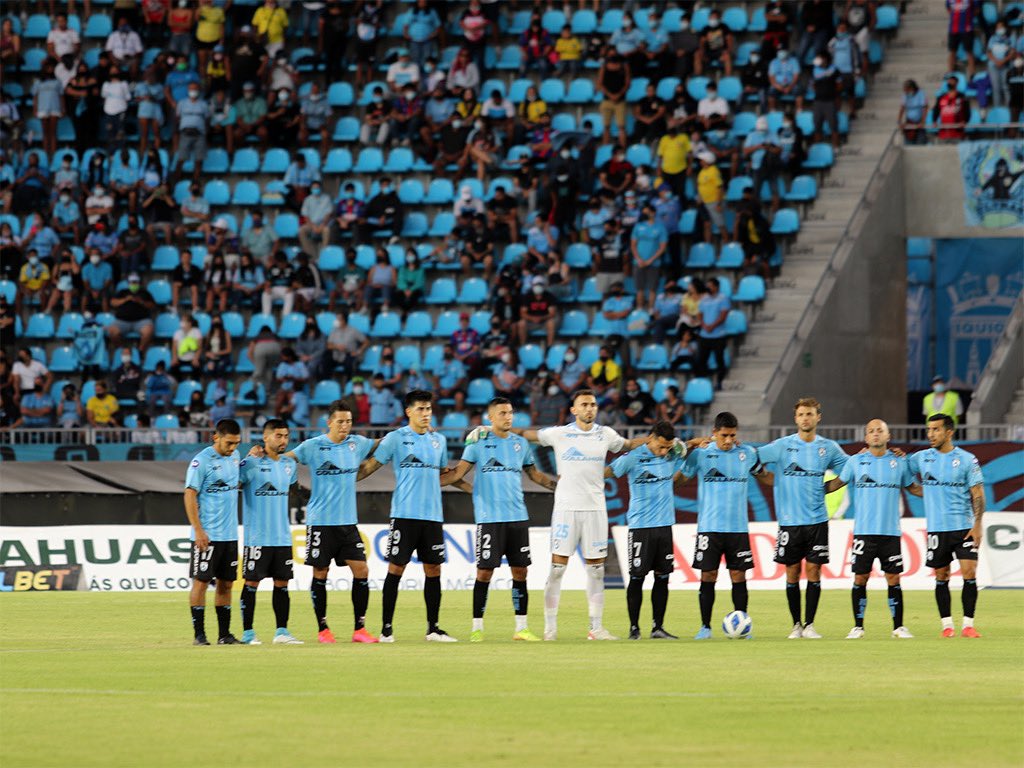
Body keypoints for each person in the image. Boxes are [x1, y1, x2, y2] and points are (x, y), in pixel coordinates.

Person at [466, 390, 661, 641]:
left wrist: (655, 437)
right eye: (584, 404)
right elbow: (527, 434)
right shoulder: (560, 433)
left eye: (593, 404)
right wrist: (487, 427)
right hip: (566, 510)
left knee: (596, 570)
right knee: (557, 569)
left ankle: (596, 628)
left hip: (595, 510)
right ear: (574, 409)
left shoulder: (606, 434)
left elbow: (628, 444)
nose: (590, 408)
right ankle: (550, 629)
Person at [441, 397, 558, 642]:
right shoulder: (478, 443)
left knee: (521, 572)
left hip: (517, 517)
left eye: (511, 412)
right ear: (490, 417)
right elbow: (457, 475)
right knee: (484, 573)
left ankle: (521, 628)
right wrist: (431, 480)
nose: (508, 417)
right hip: (489, 519)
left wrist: (559, 487)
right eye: (503, 413)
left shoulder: (520, 444)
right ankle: (476, 627)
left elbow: (535, 475)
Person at [357, 390, 469, 642]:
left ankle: (433, 628)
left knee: (433, 569)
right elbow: (370, 466)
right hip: (405, 515)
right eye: (420, 409)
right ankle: (386, 629)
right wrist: (342, 479)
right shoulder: (396, 438)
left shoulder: (438, 440)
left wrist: (474, 489)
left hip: (432, 516)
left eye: (428, 409)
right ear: (409, 411)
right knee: (396, 569)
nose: (426, 414)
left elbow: (443, 476)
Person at [753, 398, 849, 639]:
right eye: (801, 414)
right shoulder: (783, 446)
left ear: (818, 417)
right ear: (795, 419)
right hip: (789, 521)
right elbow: (754, 457)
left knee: (815, 571)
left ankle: (810, 625)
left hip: (817, 520)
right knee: (792, 572)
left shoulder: (828, 447)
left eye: (810, 414)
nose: (806, 418)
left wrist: (830, 487)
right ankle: (796, 625)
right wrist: (764, 475)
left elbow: (850, 468)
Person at [824, 419, 918, 639]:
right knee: (860, 579)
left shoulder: (899, 462)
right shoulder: (856, 461)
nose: (876, 434)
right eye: (871, 431)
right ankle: (858, 626)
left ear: (888, 436)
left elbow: (913, 488)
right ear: (866, 438)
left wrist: (937, 494)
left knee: (894, 579)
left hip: (890, 532)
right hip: (864, 533)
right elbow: (837, 483)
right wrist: (811, 491)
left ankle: (898, 627)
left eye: (880, 431)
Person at [607, 421, 699, 640]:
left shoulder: (673, 451)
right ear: (651, 438)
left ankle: (658, 627)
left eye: (668, 447)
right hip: (641, 527)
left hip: (665, 526)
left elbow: (686, 446)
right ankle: (634, 628)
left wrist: (698, 441)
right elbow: (608, 472)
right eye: (661, 447)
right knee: (637, 577)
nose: (664, 451)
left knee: (662, 577)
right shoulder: (632, 457)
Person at [680, 412, 759, 639]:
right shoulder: (701, 455)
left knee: (739, 575)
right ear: (714, 433)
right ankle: (705, 627)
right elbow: (680, 478)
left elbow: (764, 474)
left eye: (732, 436)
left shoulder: (747, 453)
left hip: (738, 528)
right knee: (708, 576)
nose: (728, 440)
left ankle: (742, 621)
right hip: (709, 527)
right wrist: (689, 447)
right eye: (724, 435)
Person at [908, 413, 985, 638]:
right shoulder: (921, 458)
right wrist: (925, 492)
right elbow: (901, 474)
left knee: (969, 571)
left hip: (963, 526)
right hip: (937, 528)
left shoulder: (967, 459)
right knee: (941, 575)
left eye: (936, 430)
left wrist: (978, 524)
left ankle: (968, 625)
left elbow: (977, 493)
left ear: (949, 432)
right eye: (929, 429)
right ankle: (947, 626)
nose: (931, 434)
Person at [236, 419, 303, 645]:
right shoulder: (250, 464)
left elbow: (292, 490)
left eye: (285, 436)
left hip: (282, 537)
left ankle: (282, 632)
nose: (283, 440)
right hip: (257, 538)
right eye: (278, 436)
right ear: (265, 437)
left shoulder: (289, 465)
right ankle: (248, 633)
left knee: (282, 584)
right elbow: (233, 483)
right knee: (251, 584)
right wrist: (248, 457)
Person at [184, 418, 243, 646]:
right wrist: (198, 530)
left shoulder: (236, 457)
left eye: (237, 443)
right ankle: (199, 635)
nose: (232, 448)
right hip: (207, 537)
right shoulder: (201, 461)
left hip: (230, 535)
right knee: (201, 582)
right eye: (229, 443)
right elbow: (189, 494)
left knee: (226, 584)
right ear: (215, 437)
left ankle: (224, 634)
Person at [697, 277, 731, 389]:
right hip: (704, 335)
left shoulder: (723, 298)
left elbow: (723, 315)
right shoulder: (704, 298)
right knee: (701, 360)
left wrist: (713, 325)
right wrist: (703, 325)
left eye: (710, 285)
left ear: (716, 287)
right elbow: (700, 314)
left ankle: (720, 382)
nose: (708, 287)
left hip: (718, 335)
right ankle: (703, 384)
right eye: (707, 285)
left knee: (719, 360)